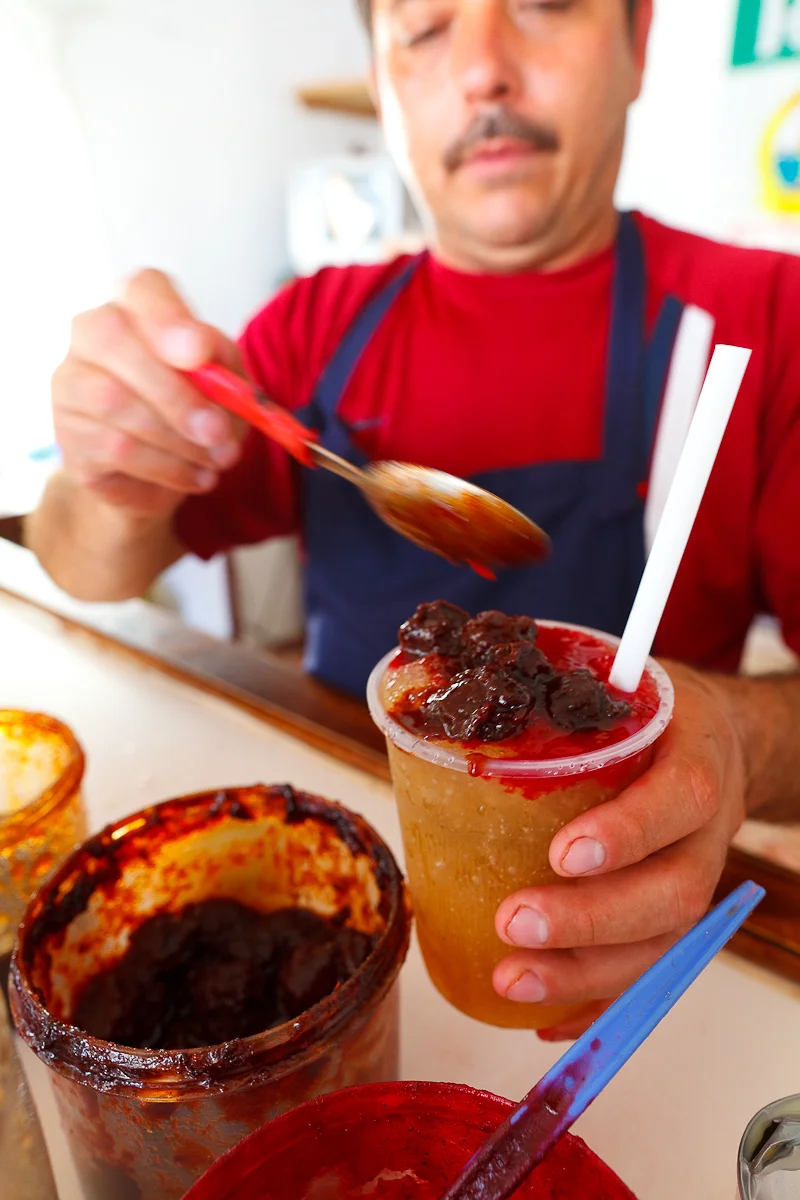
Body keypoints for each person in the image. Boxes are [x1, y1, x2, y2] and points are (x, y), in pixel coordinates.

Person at [27, 0, 800, 1037]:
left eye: (544, 6)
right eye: (425, 27)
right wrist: (112, 478)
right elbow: (87, 569)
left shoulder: (765, 323)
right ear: (382, 81)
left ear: (637, 43)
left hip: (645, 968)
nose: (481, 69)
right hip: (340, 916)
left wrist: (741, 739)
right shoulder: (313, 327)